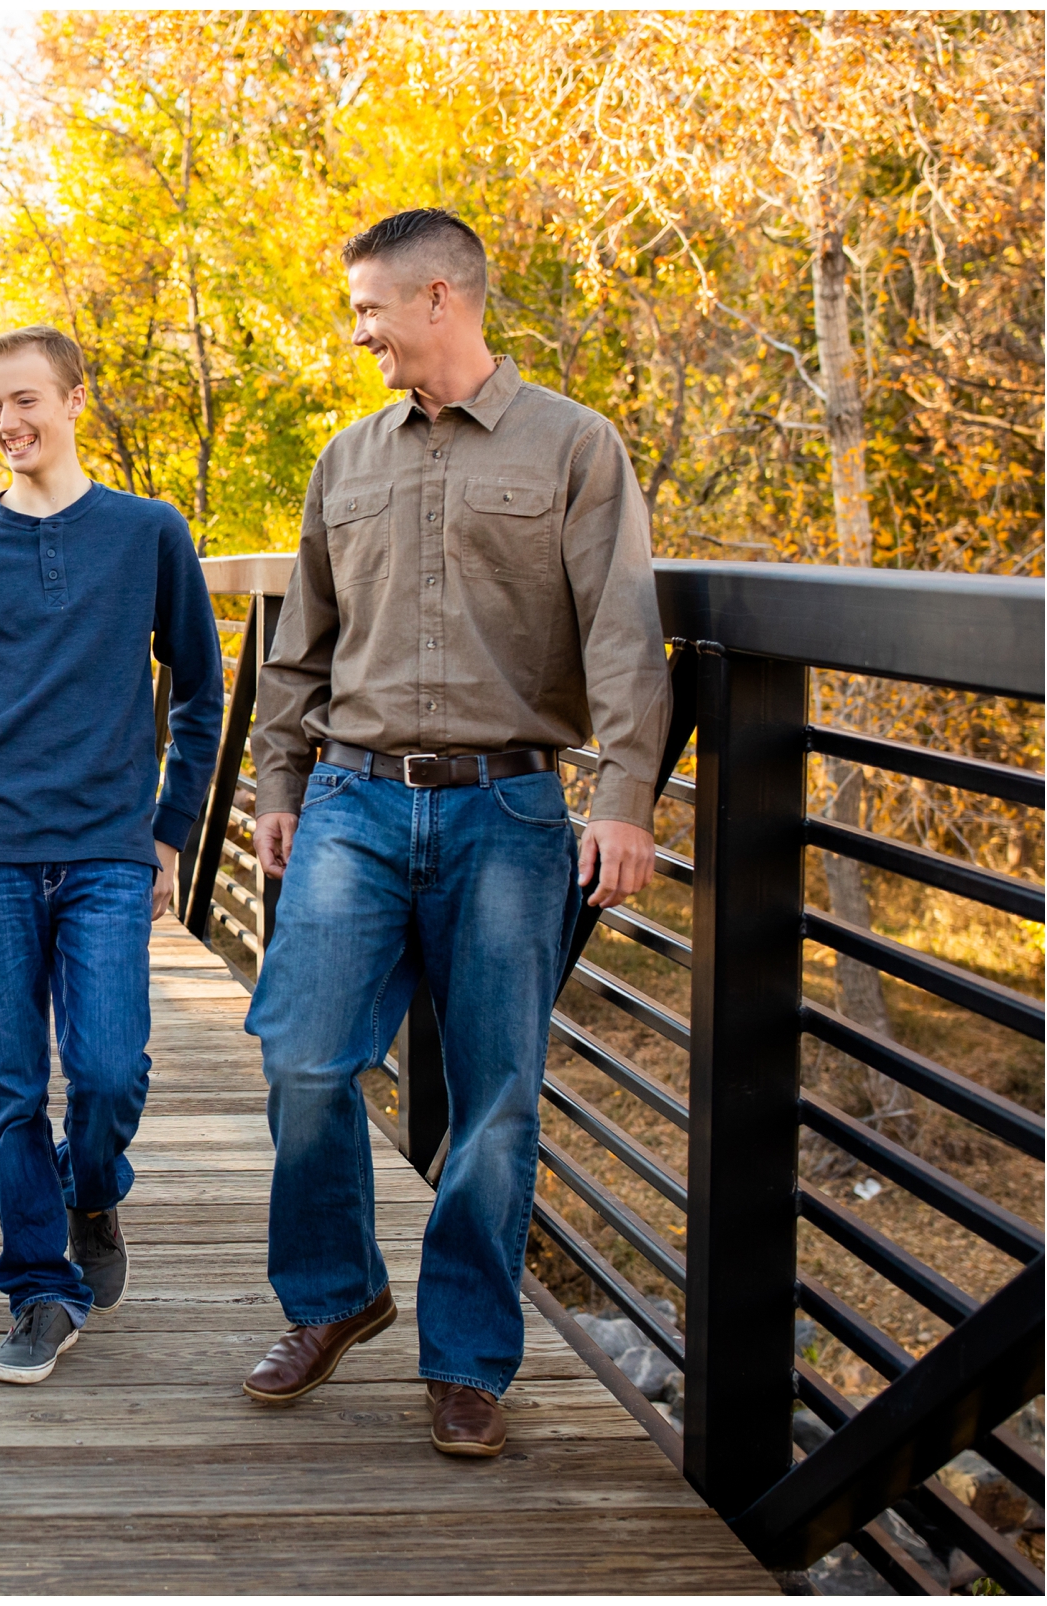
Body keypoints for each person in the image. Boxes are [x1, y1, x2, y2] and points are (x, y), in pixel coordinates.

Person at [239, 209, 669, 1457]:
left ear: (441, 298)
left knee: (497, 1101)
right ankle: (335, 1295)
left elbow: (625, 635)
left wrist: (627, 796)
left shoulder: (576, 447)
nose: (357, 330)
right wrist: (276, 781)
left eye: (370, 307)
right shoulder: (346, 460)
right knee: (302, 1060)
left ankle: (469, 1359)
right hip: (353, 802)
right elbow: (298, 647)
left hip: (510, 810)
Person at [0, 325, 225, 1385]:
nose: (8, 422)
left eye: (27, 400)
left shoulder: (148, 532)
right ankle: (40, 1288)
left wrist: (171, 828)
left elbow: (200, 690)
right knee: (12, 1087)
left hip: (105, 848)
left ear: (77, 399)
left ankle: (95, 1192)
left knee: (105, 1068)